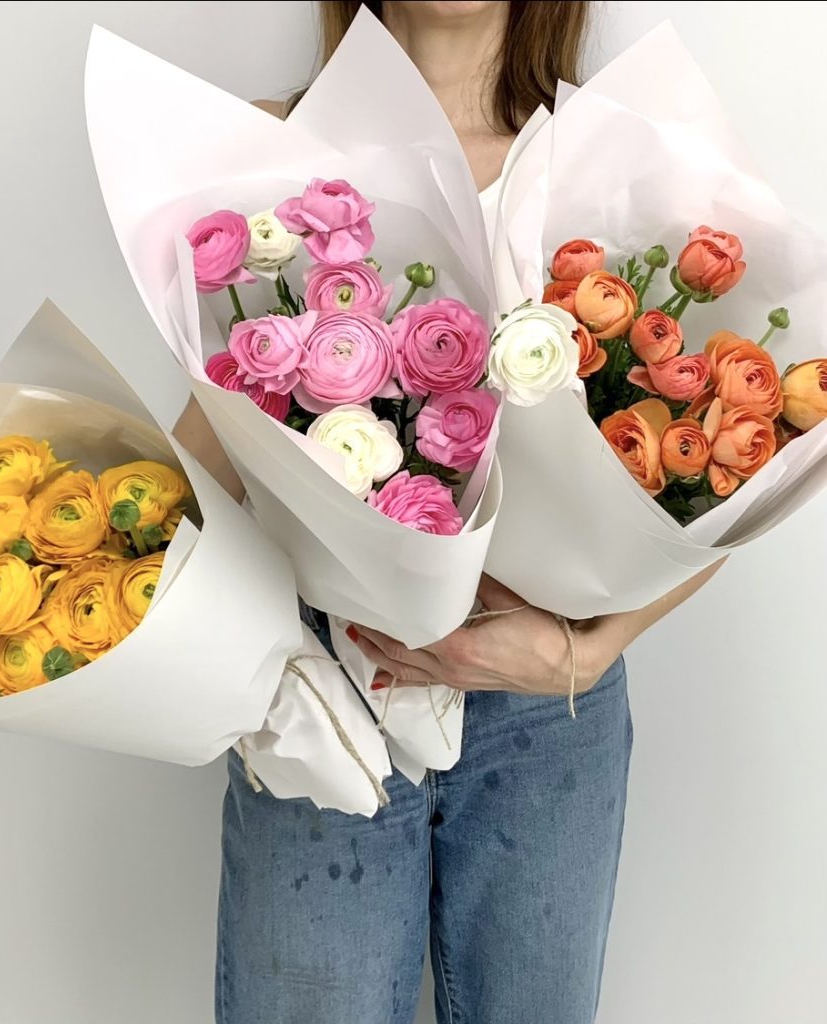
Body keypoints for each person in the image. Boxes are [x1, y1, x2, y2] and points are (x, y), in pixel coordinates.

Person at [214, 3, 723, 1022]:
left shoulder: (613, 160)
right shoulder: (271, 152)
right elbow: (217, 433)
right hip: (325, 685)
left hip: (548, 710)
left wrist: (585, 653)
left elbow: (717, 470)